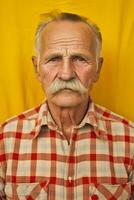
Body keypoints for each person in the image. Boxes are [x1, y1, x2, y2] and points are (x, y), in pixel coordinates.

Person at [0, 11, 134, 200]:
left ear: (98, 68)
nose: (66, 73)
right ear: (36, 68)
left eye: (80, 59)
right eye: (53, 59)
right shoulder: (4, 141)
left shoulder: (130, 140)